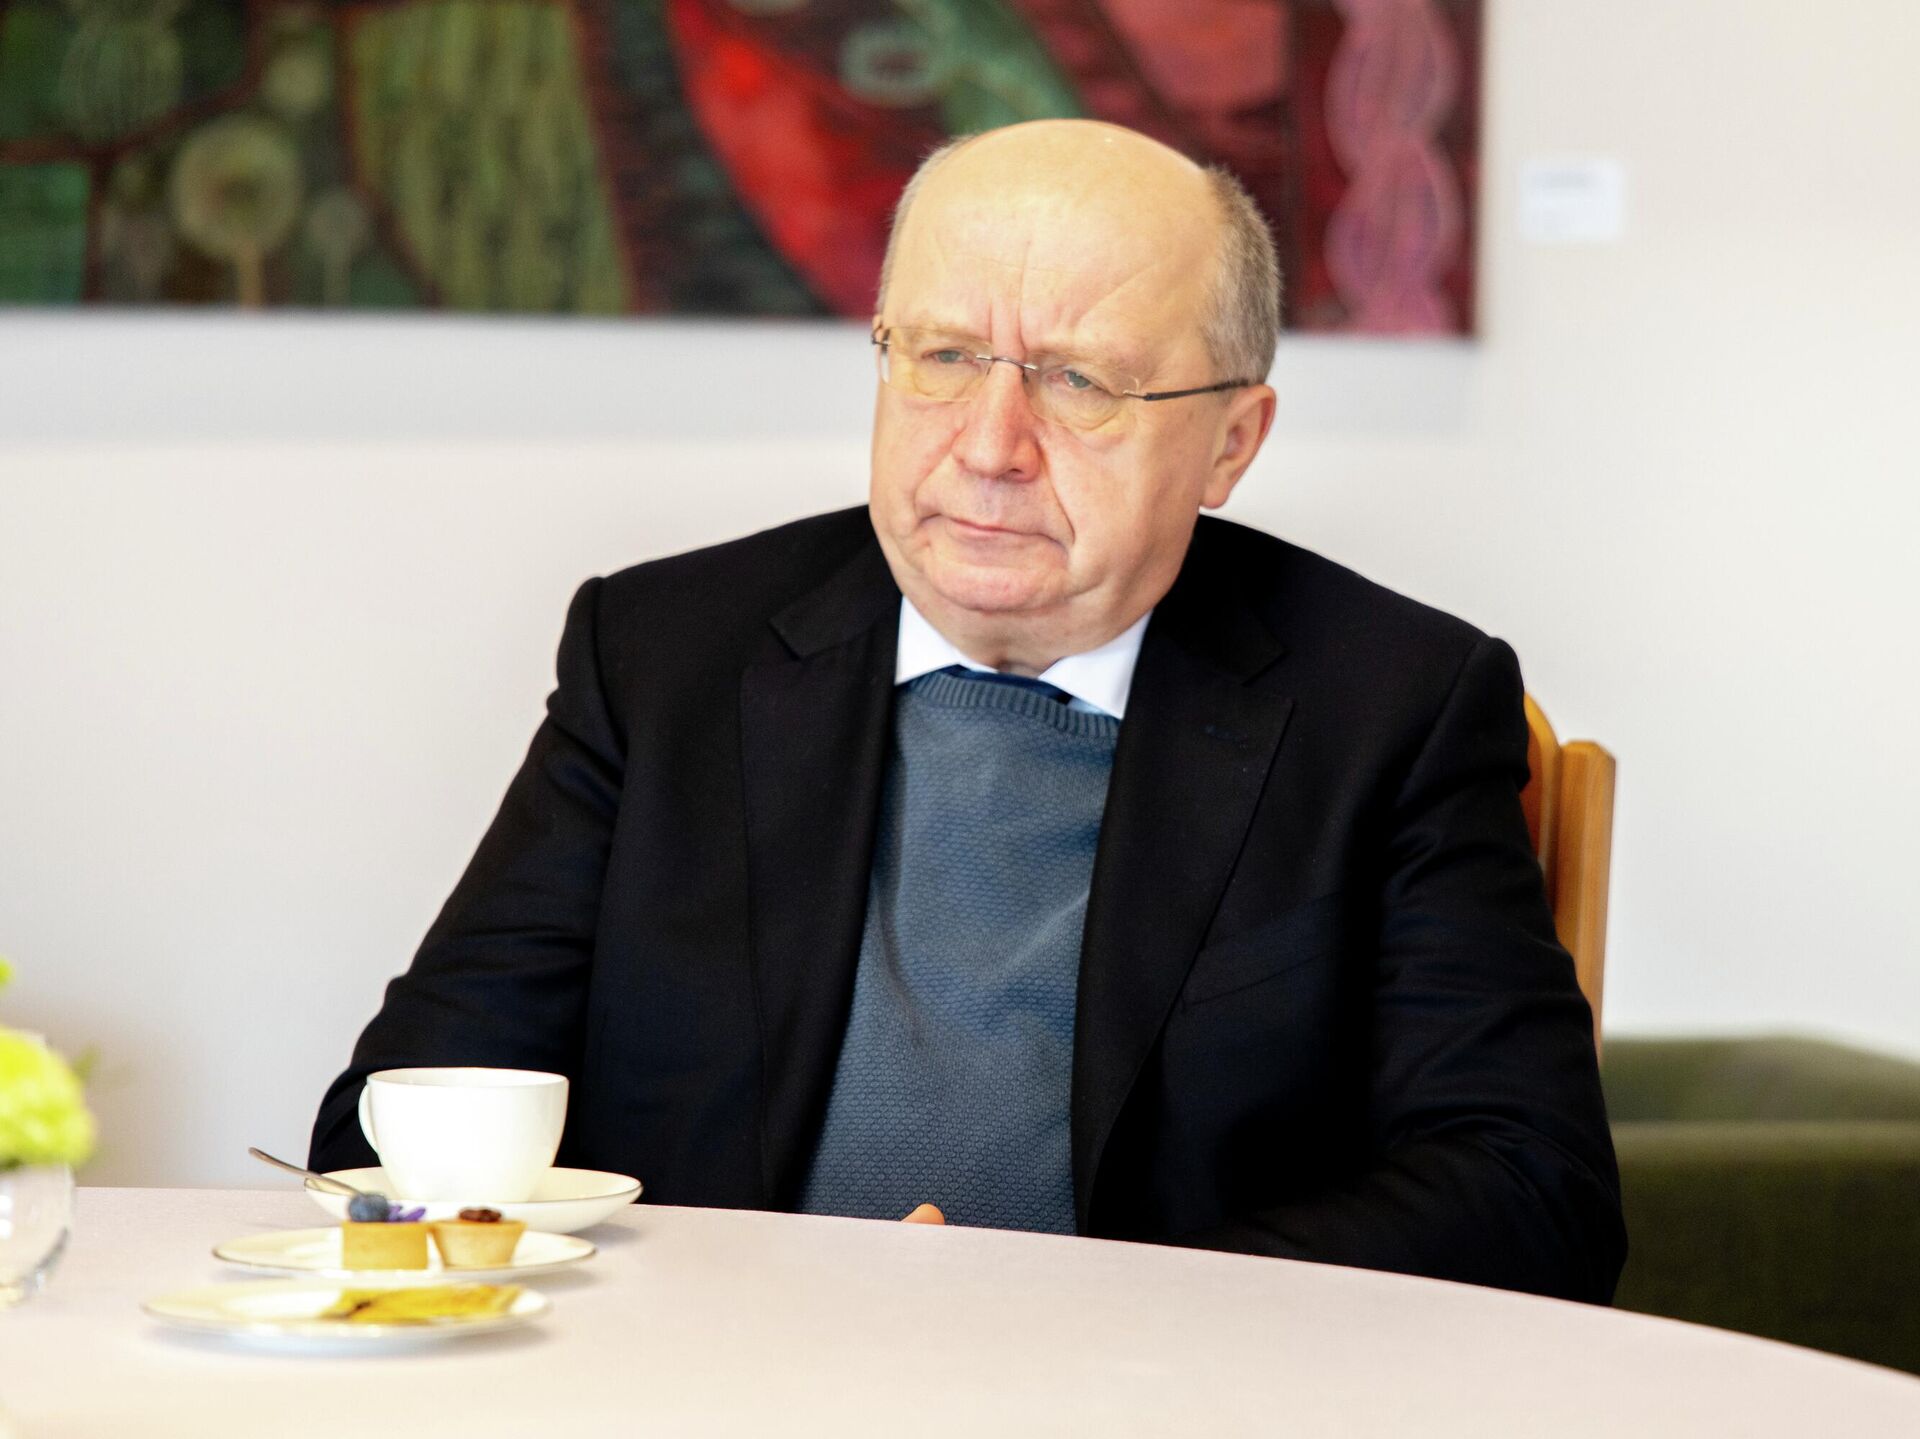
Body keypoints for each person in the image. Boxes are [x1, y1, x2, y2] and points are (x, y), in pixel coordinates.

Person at [311, 120, 1625, 1302]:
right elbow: (388, 1127)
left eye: (1080, 381)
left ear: (1231, 441)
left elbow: (1531, 1193)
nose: (990, 447)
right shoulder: (665, 658)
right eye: (944, 357)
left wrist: (1068, 1308)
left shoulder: (1389, 707)